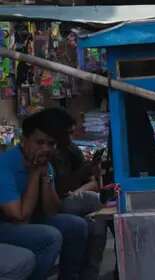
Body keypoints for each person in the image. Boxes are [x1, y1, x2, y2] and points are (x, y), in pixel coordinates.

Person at [0, 109, 88, 280]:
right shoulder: (5, 165)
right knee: (49, 237)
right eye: (39, 142)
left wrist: (45, 176)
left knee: (77, 225)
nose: (45, 149)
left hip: (27, 219)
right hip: (4, 224)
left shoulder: (45, 165)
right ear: (24, 140)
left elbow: (52, 211)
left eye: (50, 144)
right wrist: (34, 174)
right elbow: (19, 216)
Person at [47, 109, 107, 280]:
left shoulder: (71, 149)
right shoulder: (49, 152)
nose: (70, 137)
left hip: (71, 197)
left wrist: (78, 190)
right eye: (68, 133)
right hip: (54, 202)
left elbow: (92, 182)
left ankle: (90, 273)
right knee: (83, 220)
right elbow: (55, 190)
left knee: (98, 210)